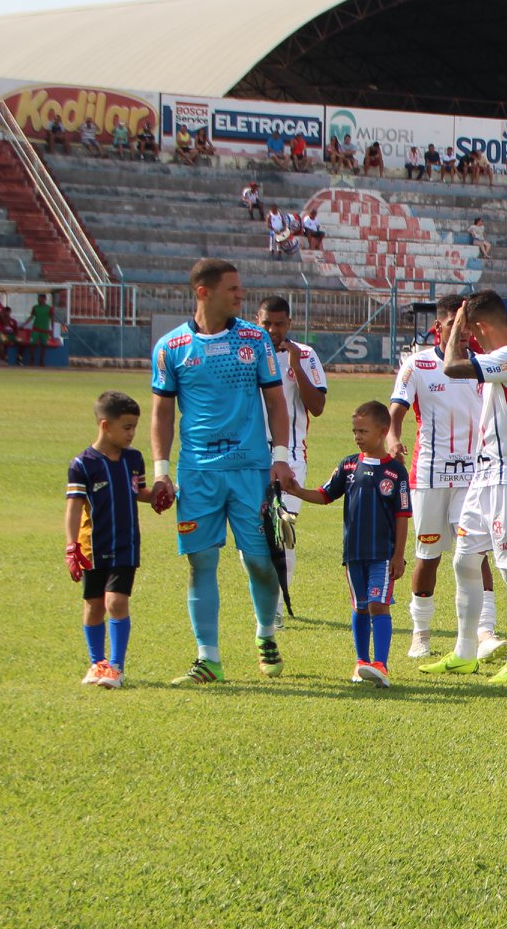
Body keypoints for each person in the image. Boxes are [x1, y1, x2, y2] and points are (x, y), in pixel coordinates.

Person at [150, 259, 298, 684]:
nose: (240, 294)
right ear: (204, 292)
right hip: (197, 473)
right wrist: (161, 470)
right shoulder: (171, 347)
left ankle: (266, 635)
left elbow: (276, 402)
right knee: (200, 562)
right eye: (232, 288)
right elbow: (161, 414)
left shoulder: (254, 339)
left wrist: (280, 456)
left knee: (260, 562)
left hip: (251, 469)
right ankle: (208, 658)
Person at [424, 291, 507, 682]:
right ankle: (464, 652)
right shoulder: (498, 360)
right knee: (464, 561)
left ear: (479, 326)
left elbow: (452, 367)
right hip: (483, 477)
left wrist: (457, 323)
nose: (468, 338)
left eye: (470, 331)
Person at [387, 294, 501, 661]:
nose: (462, 332)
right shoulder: (417, 364)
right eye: (454, 324)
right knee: (429, 555)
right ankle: (420, 633)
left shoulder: (482, 366)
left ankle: (485, 631)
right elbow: (397, 410)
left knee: (476, 554)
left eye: (467, 325)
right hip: (430, 476)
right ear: (438, 327)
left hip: (473, 477)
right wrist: (392, 436)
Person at [278, 401, 412, 685]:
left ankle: (381, 664)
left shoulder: (396, 472)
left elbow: (402, 516)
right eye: (355, 431)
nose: (357, 436)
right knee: (361, 606)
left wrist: (398, 555)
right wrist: (297, 491)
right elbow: (325, 494)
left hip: (382, 555)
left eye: (363, 431)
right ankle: (361, 662)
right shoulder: (349, 465)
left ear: (383, 432)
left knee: (378, 604)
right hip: (353, 554)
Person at [65, 391, 159, 688]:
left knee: (116, 602)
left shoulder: (133, 459)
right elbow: (74, 508)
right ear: (105, 425)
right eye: (127, 427)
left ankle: (116, 667)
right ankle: (98, 664)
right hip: (93, 547)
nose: (132, 434)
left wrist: (157, 496)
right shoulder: (83, 464)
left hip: (125, 545)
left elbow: (137, 492)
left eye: (135, 427)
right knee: (94, 605)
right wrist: (72, 547)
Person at [258, 296, 328, 626]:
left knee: (281, 530)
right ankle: (263, 599)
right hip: (251, 456)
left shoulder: (306, 354)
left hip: (292, 456)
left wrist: (296, 365)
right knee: (253, 535)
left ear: (289, 323)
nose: (273, 330)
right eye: (267, 323)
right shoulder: (247, 352)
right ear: (257, 322)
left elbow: (317, 407)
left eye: (279, 324)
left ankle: (272, 607)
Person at [25, 293, 55, 367]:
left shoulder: (49, 308)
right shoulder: (35, 307)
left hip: (45, 330)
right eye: (38, 298)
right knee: (31, 344)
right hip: (35, 329)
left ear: (44, 299)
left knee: (44, 346)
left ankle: (42, 361)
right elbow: (31, 317)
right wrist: (23, 324)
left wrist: (52, 330)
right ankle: (32, 360)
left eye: (40, 298)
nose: (38, 300)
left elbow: (52, 319)